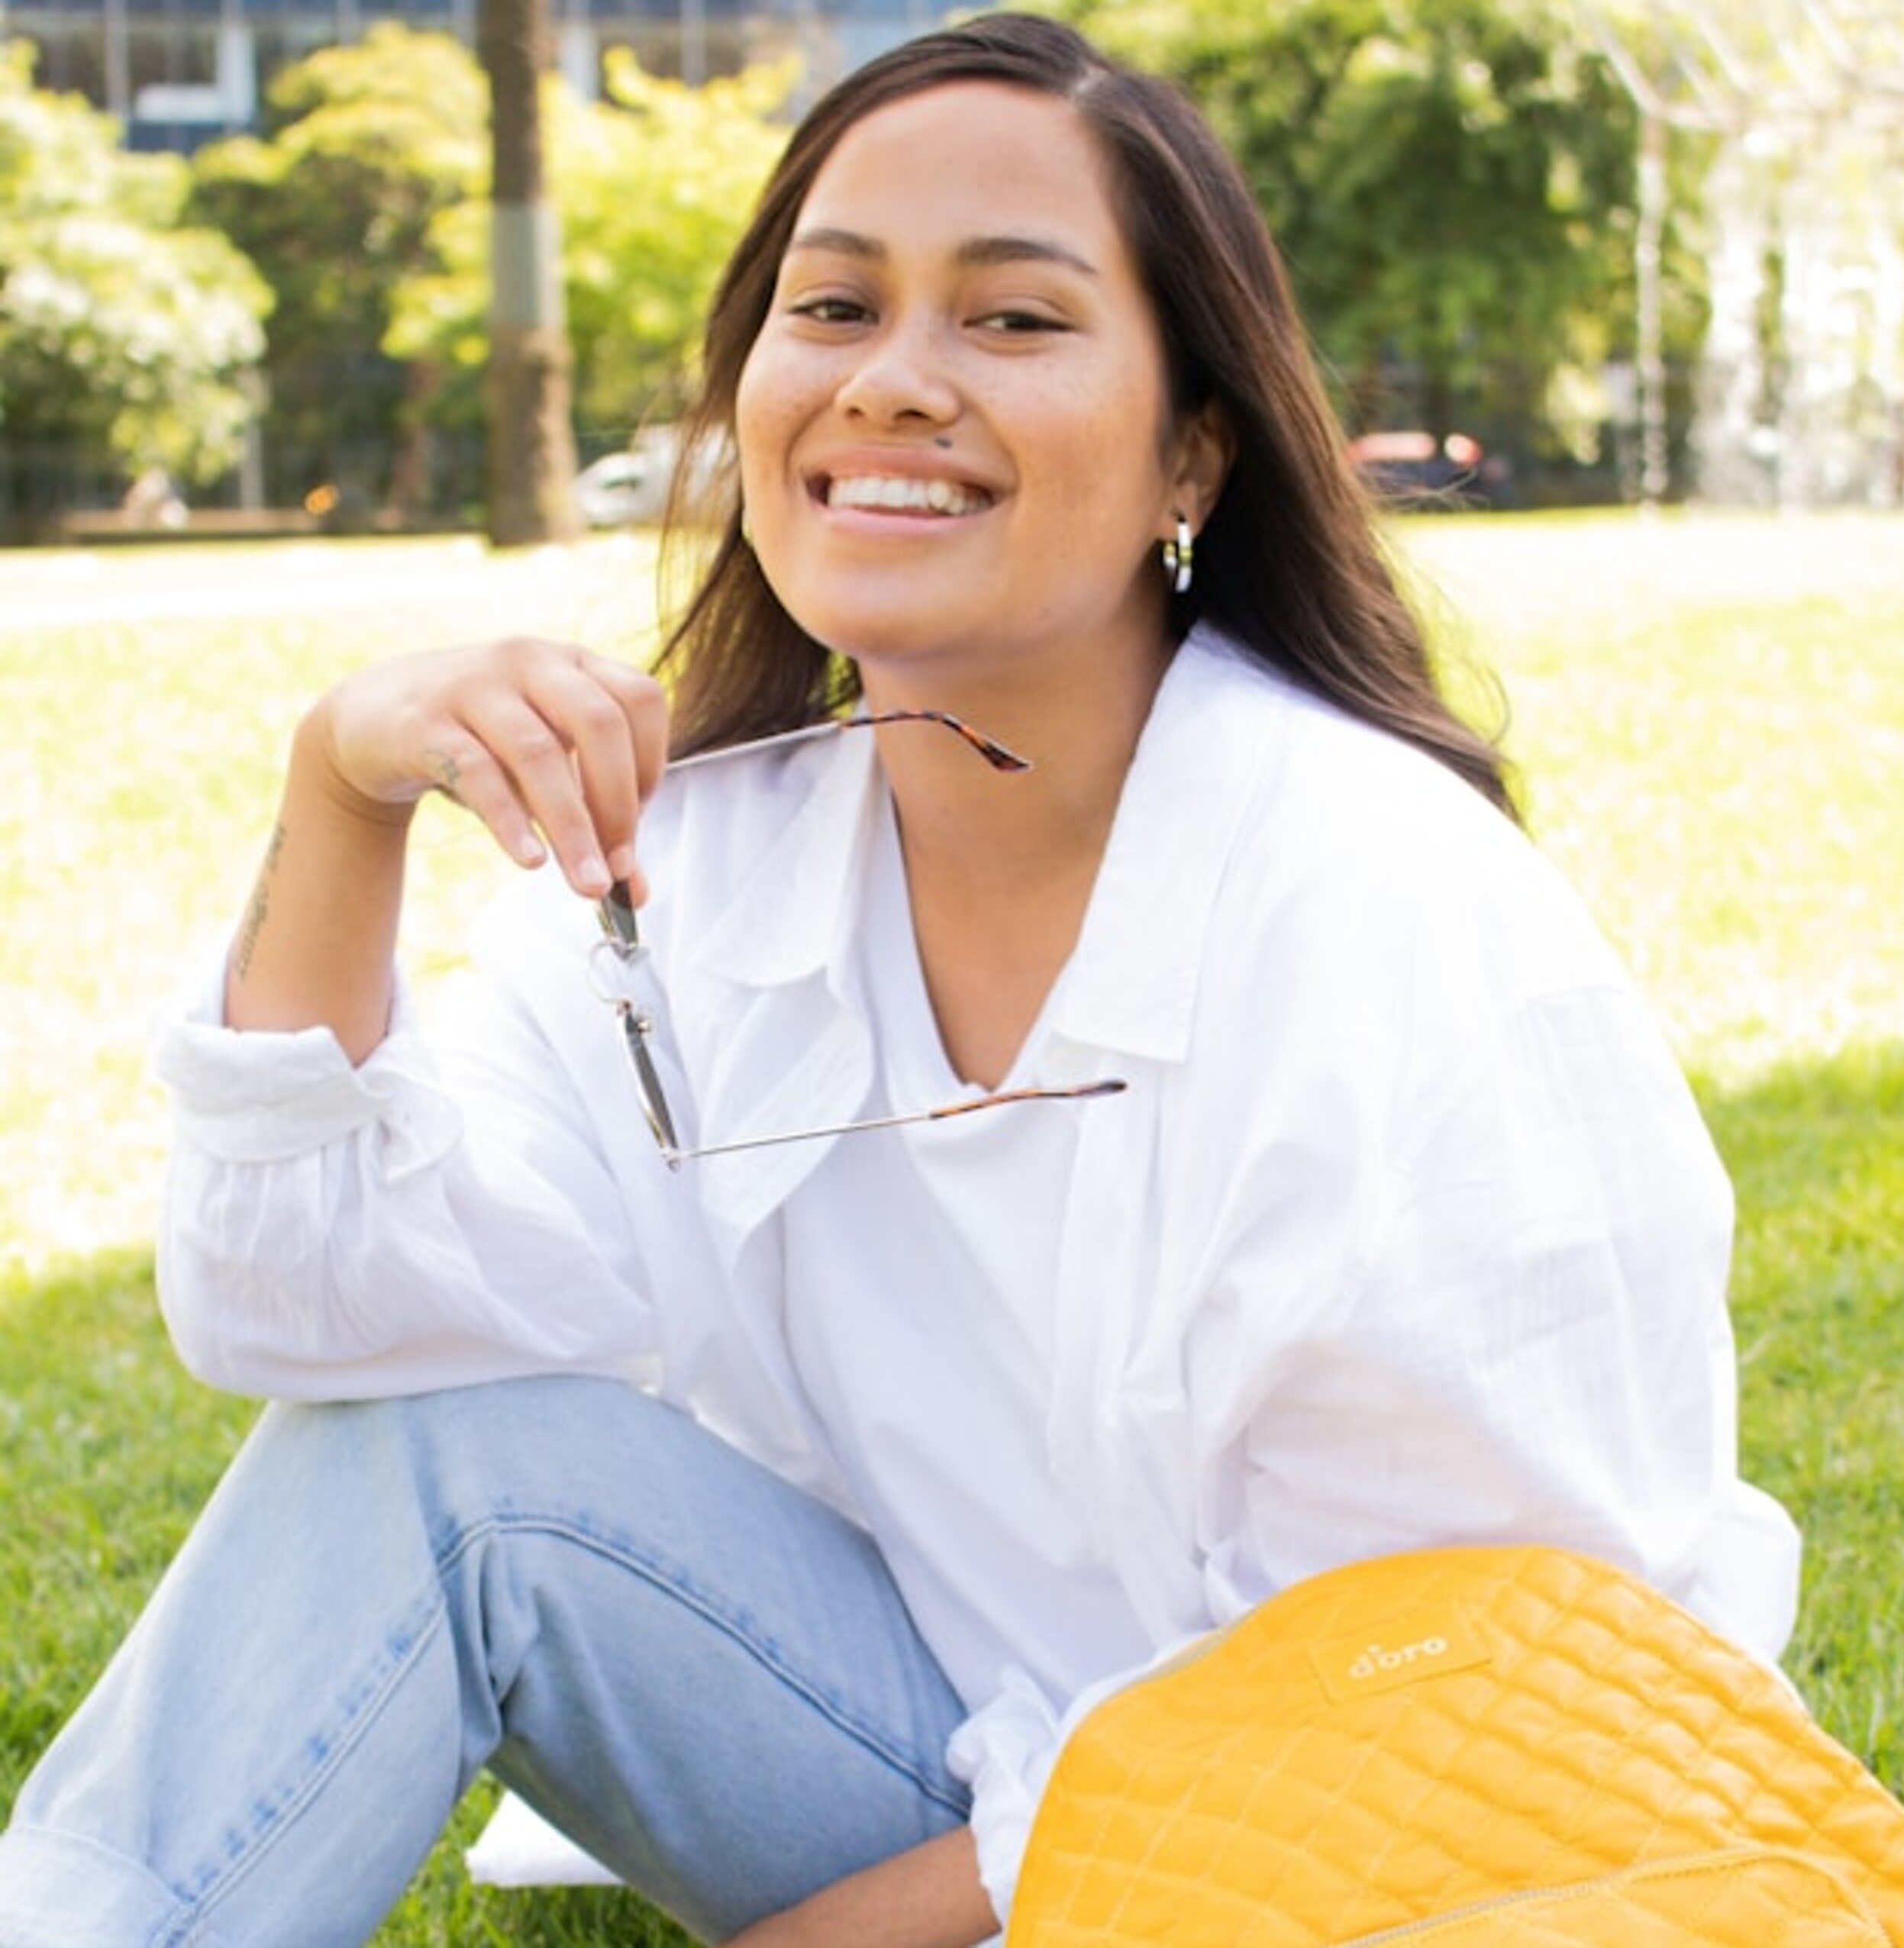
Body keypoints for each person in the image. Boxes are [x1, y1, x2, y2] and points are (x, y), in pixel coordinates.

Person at [0, 13, 1801, 1946]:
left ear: (1193, 449)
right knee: (437, 1461)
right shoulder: (707, 867)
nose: (890, 383)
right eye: (833, 307)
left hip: (1361, 1861)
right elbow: (306, 1311)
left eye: (1012, 320)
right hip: (953, 1771)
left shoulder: (1386, 912)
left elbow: (1459, 1689)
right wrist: (341, 791)